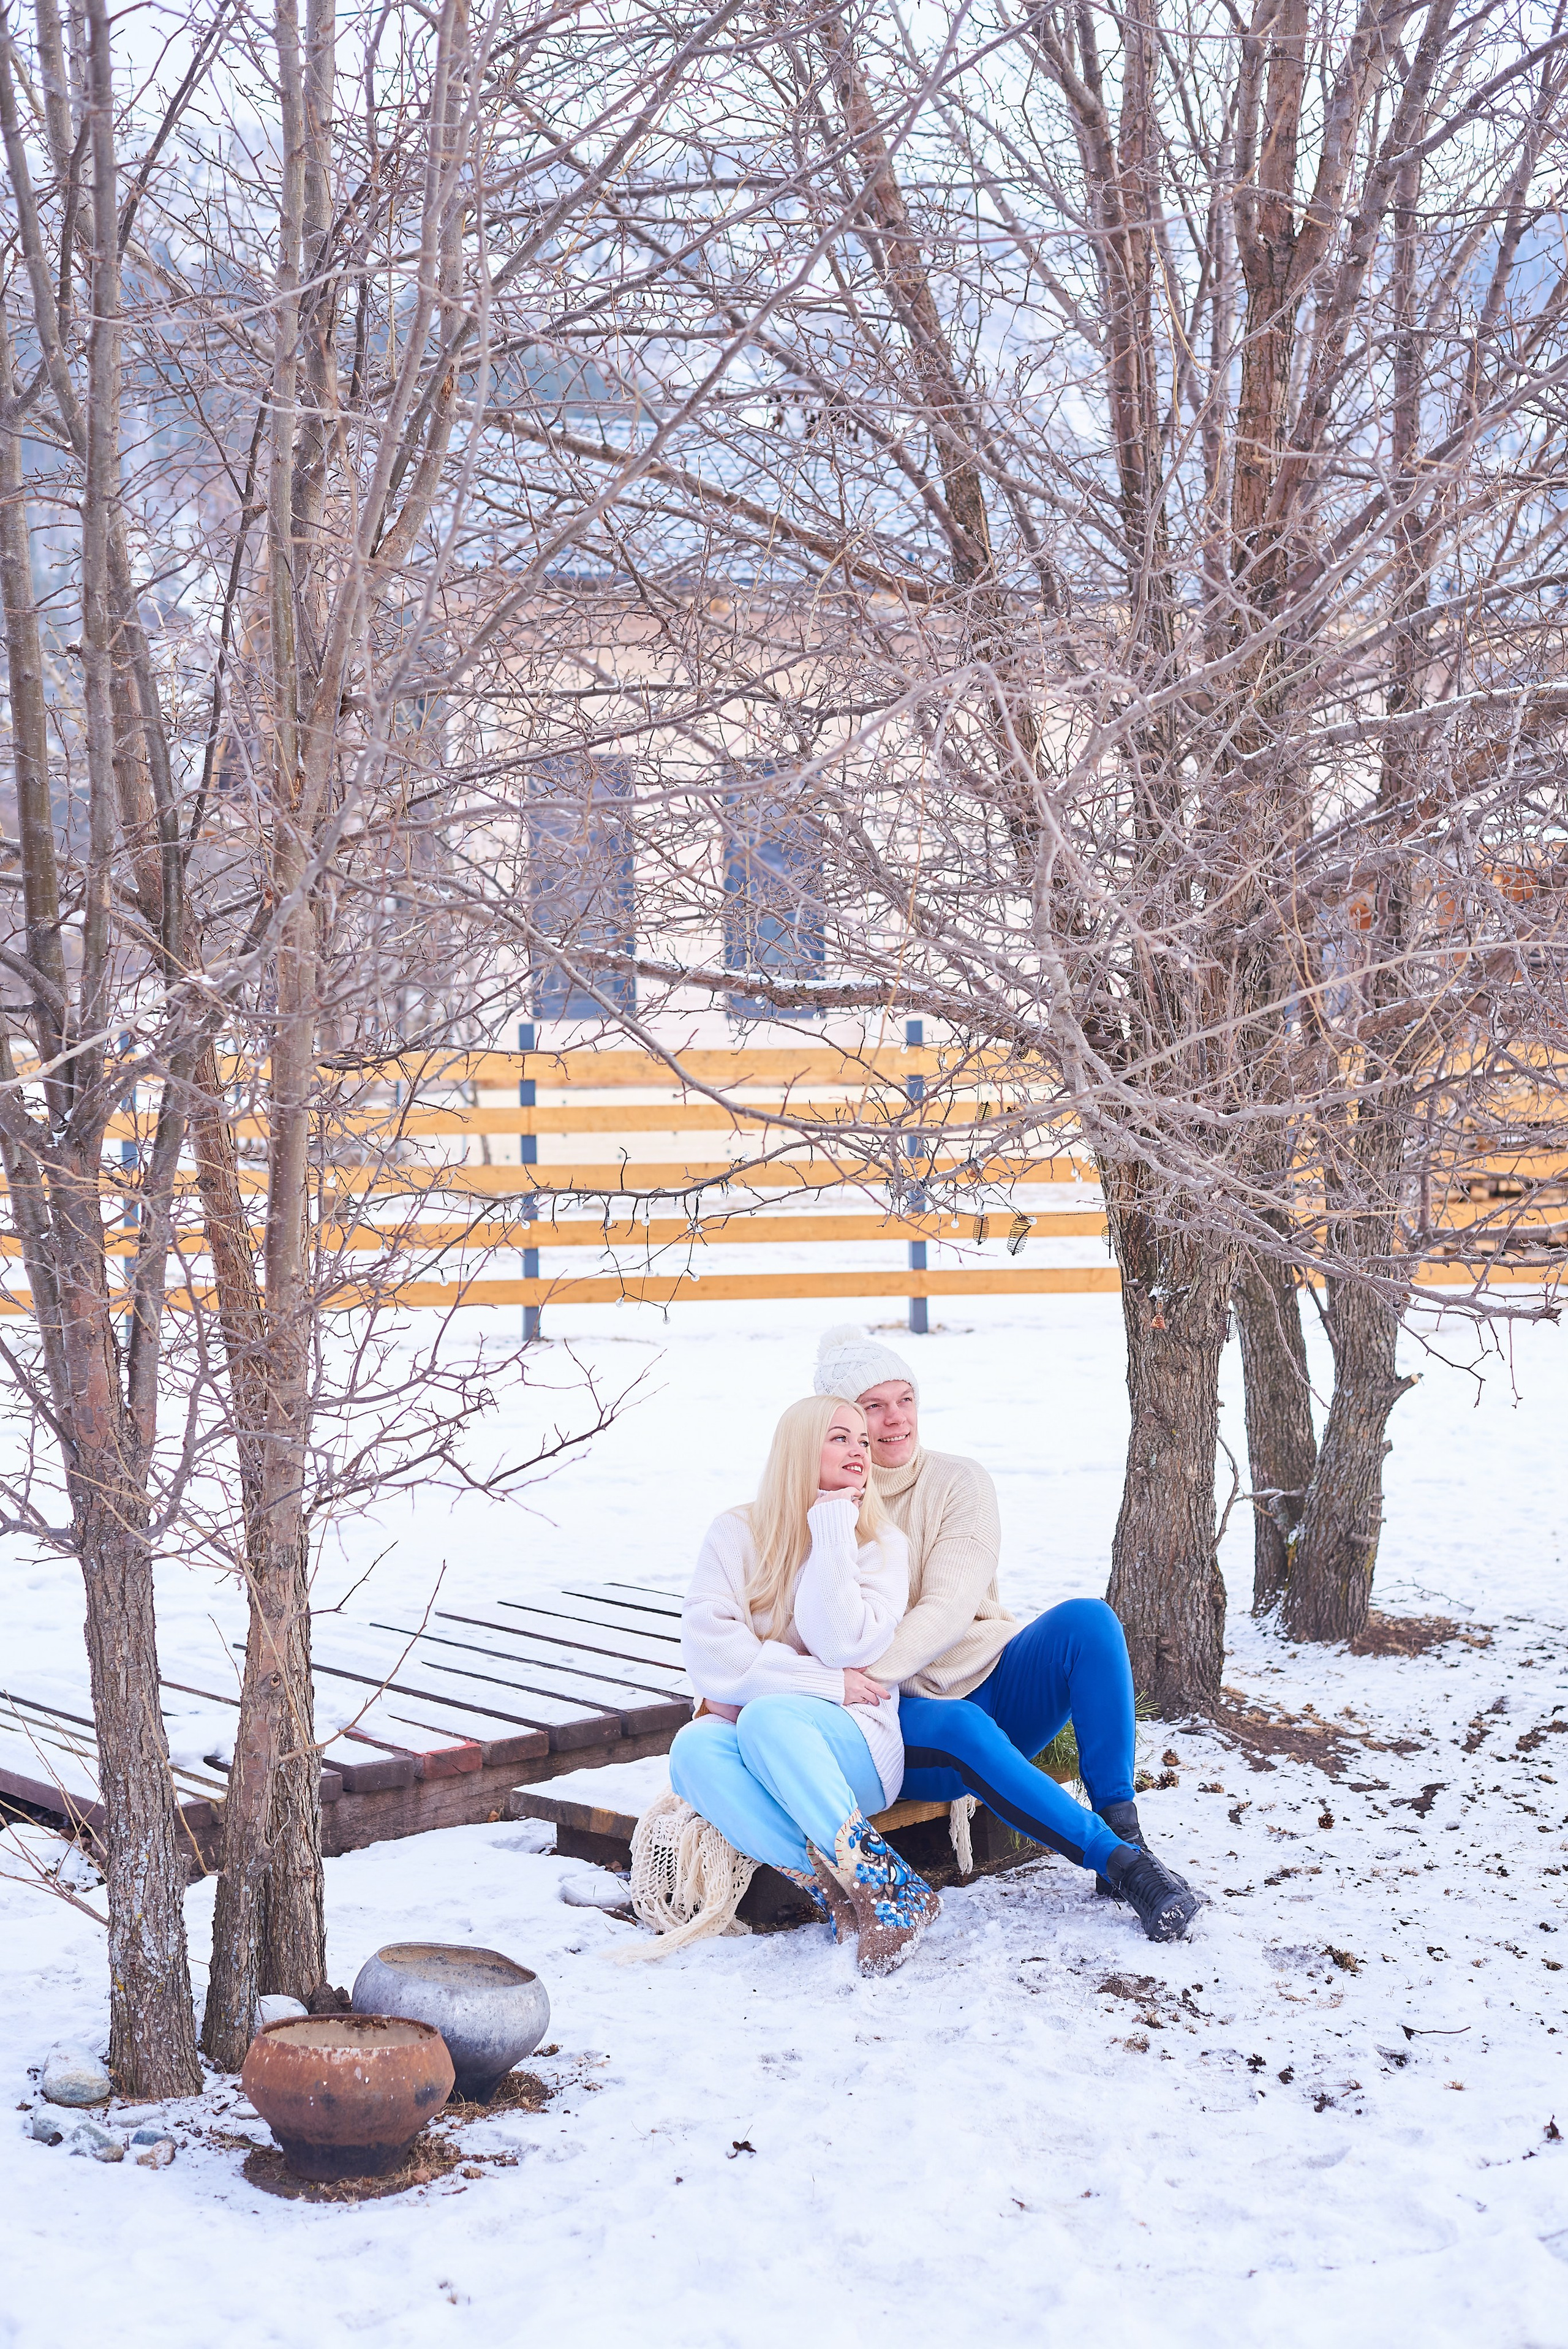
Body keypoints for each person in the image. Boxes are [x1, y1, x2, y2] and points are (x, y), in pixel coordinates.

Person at [810, 1325, 1202, 1942]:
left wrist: (869, 1668)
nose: (894, 1419)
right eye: (871, 1406)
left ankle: (1125, 1830)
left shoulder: (958, 1481)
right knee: (961, 1728)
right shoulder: (821, 1508)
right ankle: (1125, 1870)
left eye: (904, 1398)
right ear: (836, 1422)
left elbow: (949, 1605)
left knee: (1088, 1622)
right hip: (900, 1725)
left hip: (988, 1684)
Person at [668, 1393, 941, 1977]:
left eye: (863, 1441)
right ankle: (837, 1893)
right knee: (691, 1749)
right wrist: (821, 1682)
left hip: (855, 1751)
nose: (860, 1450)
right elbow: (710, 1648)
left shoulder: (882, 1545)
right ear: (799, 1449)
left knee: (769, 1717)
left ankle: (888, 1886)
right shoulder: (735, 1531)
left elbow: (846, 1643)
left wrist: (834, 1524)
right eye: (840, 1437)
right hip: (771, 1740)